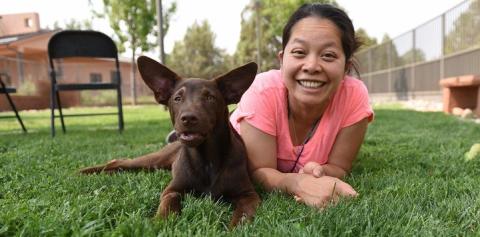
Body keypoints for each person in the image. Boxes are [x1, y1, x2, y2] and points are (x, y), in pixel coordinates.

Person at [228, 3, 374, 208]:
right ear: (282, 60)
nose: (312, 66)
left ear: (345, 68)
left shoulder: (354, 96)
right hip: (240, 127)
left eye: (328, 55)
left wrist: (319, 173)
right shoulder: (262, 89)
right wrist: (298, 183)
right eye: (299, 52)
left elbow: (340, 167)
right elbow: (258, 171)